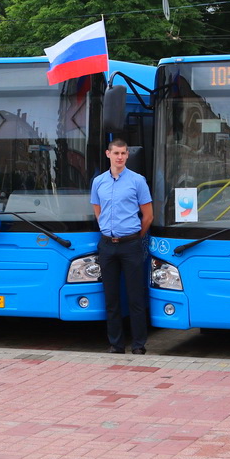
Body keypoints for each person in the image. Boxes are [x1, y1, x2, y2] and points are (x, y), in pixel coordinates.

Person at [90, 139, 152, 355]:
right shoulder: (98, 182)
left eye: (124, 153)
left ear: (127, 155)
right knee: (111, 298)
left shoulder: (137, 181)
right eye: (116, 153)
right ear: (108, 154)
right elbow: (98, 211)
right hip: (107, 246)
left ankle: (138, 345)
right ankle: (116, 345)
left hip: (130, 245)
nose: (120, 157)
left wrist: (135, 237)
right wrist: (108, 230)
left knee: (135, 297)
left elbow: (148, 215)